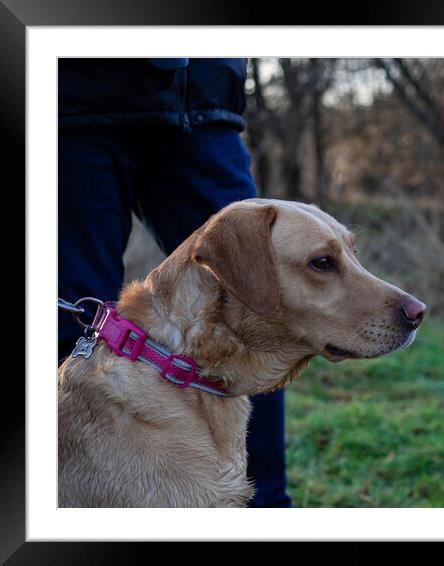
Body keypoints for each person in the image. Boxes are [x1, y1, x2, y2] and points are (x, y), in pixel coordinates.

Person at [58, 58, 291, 508]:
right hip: (72, 107)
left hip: (201, 104)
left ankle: (265, 510)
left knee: (257, 312)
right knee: (75, 324)